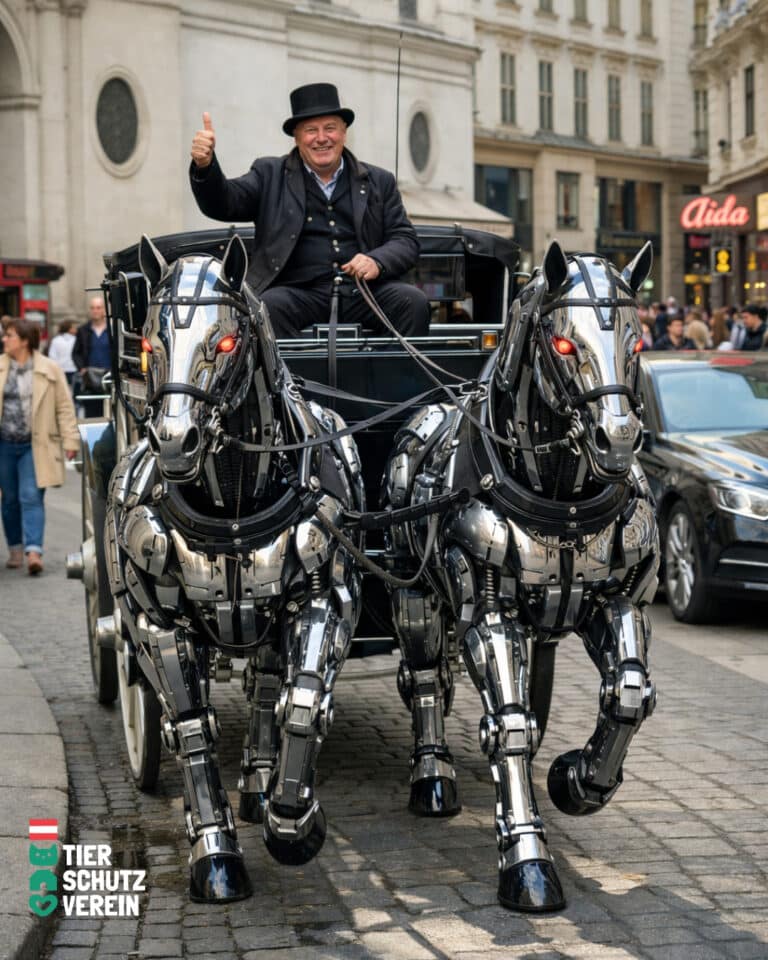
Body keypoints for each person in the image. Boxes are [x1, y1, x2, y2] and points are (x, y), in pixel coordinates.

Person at [189, 83, 429, 339]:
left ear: (344, 132)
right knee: (268, 308)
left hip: (364, 292)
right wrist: (205, 166)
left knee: (412, 302)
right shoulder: (269, 174)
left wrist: (377, 261)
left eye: (330, 128)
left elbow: (405, 240)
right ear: (297, 137)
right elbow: (224, 202)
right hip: (298, 293)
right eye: (311, 130)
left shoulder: (379, 181)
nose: (322, 138)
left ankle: (397, 379)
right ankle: (288, 380)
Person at [0, 317, 79, 575]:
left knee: (31, 497)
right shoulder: (0, 367)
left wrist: (70, 439)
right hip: (4, 445)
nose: (4, 339)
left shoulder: (49, 368)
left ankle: (34, 551)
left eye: (9, 335)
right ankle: (15, 548)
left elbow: (64, 407)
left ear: (24, 341)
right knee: (10, 500)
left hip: (36, 445)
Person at [72, 297, 111, 417]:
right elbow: (75, 353)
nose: (95, 311)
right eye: (93, 308)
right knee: (92, 412)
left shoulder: (112, 330)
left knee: (111, 411)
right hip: (90, 378)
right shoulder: (83, 330)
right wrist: (82, 369)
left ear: (104, 310)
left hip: (109, 377)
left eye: (98, 308)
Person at [47, 320, 78, 389]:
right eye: (73, 328)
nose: (76, 329)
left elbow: (52, 356)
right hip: (74, 369)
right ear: (69, 329)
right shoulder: (76, 339)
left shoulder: (56, 340)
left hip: (60, 370)